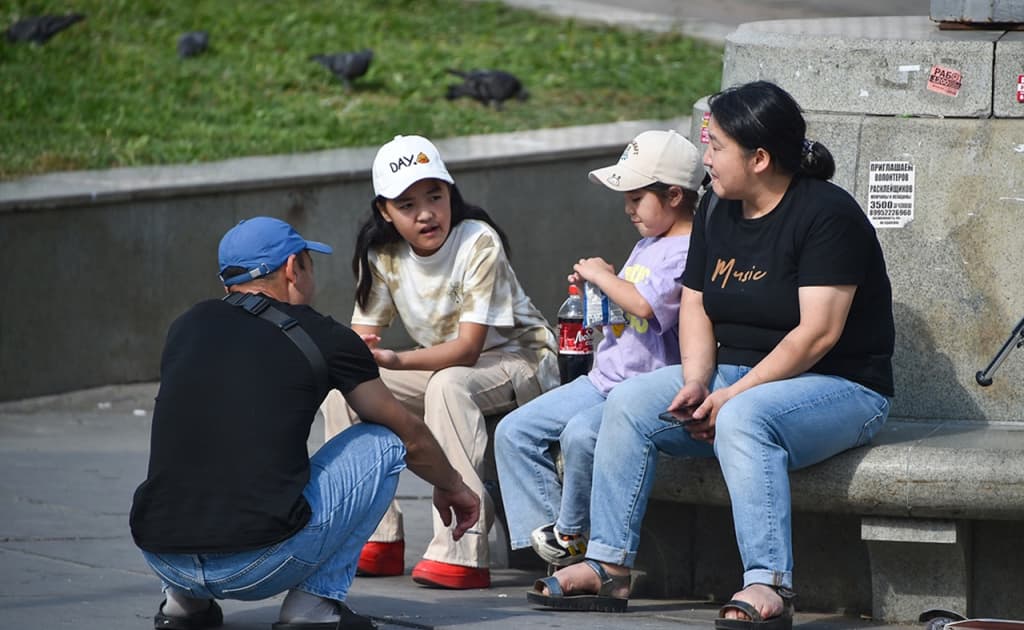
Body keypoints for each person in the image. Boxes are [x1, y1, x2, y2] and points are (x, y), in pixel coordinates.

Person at [528, 80, 895, 629]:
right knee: (629, 402)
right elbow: (696, 306)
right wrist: (699, 382)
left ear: (761, 157)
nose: (706, 158)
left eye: (717, 145)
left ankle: (768, 582)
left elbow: (816, 334)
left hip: (841, 386)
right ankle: (608, 565)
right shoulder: (719, 211)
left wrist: (733, 395)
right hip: (736, 374)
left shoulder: (827, 215)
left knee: (745, 419)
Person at [129, 216, 480, 630]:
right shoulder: (323, 335)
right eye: (310, 263)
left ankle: (182, 606)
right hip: (260, 563)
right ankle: (313, 608)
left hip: (163, 557)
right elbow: (411, 437)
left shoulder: (184, 328)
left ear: (228, 283)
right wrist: (453, 484)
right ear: (294, 267)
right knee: (384, 441)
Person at [321, 134, 559, 590]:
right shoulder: (381, 255)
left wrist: (394, 357)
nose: (426, 212)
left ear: (452, 194)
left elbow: (468, 349)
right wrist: (362, 357)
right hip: (443, 365)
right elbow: (362, 338)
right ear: (384, 212)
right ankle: (373, 532)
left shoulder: (478, 241)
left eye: (436, 195)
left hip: (521, 360)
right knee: (344, 387)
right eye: (407, 204)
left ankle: (463, 551)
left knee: (448, 384)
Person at [493, 129, 706, 569]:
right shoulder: (649, 243)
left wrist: (604, 276)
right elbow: (631, 311)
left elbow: (647, 304)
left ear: (673, 195)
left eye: (636, 198)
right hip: (603, 379)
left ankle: (570, 536)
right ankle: (553, 543)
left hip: (643, 391)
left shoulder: (690, 250)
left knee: (579, 436)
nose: (628, 209)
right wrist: (600, 299)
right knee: (513, 433)